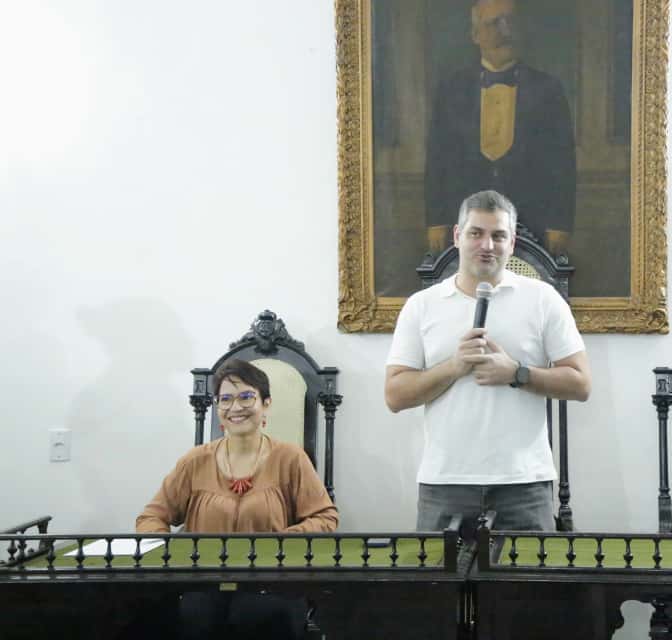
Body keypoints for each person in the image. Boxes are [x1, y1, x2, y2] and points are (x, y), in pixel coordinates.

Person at [386, 189, 591, 533]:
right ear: (457, 236)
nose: (487, 245)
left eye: (498, 235)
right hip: (445, 482)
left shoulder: (543, 299)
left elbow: (581, 383)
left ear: (512, 243)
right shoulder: (421, 305)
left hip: (524, 484)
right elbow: (395, 395)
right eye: (476, 233)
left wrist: (517, 374)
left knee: (530, 572)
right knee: (438, 572)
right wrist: (454, 367)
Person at [136, 358, 338, 640]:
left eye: (246, 397)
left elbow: (325, 518)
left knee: (257, 614)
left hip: (271, 579)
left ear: (266, 403)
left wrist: (282, 541)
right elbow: (151, 517)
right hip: (203, 580)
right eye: (226, 399)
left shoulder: (291, 458)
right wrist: (172, 553)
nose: (235, 407)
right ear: (218, 408)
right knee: (188, 614)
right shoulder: (195, 460)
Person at [424, 0, 576, 257]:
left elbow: (562, 163)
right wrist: (436, 220)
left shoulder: (547, 89)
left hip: (532, 222)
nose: (504, 31)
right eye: (494, 23)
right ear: (475, 35)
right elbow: (437, 159)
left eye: (510, 21)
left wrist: (559, 224)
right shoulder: (452, 90)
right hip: (464, 220)